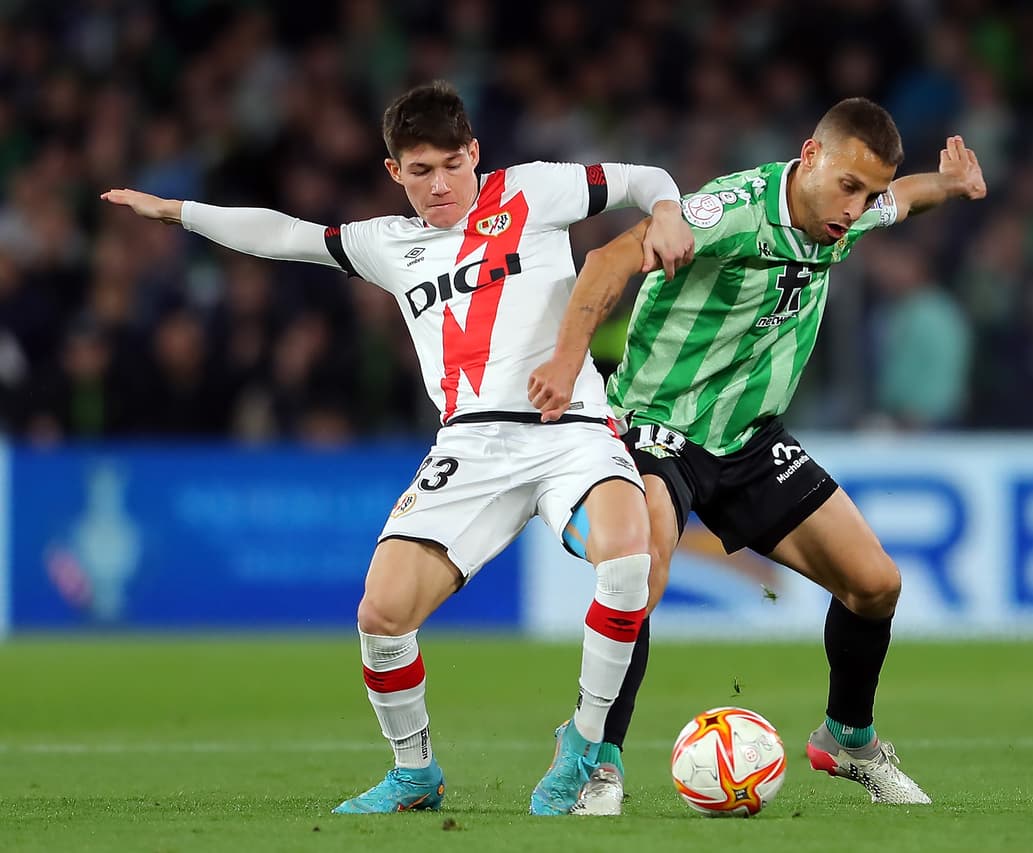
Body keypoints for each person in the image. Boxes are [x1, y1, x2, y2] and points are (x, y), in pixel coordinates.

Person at [104, 80, 695, 816]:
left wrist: (666, 212)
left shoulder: (533, 191)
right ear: (394, 173)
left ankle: (583, 743)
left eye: (453, 164)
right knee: (381, 614)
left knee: (629, 550)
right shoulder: (388, 243)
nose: (440, 185)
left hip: (570, 428)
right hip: (470, 447)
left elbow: (643, 179)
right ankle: (415, 772)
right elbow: (283, 234)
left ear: (474, 152)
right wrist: (174, 211)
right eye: (420, 172)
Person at [529, 97, 987, 813]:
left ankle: (848, 737)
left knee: (876, 584)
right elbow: (608, 259)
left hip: (749, 438)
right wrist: (565, 363)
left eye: (866, 192)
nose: (856, 207)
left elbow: (902, 198)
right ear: (810, 155)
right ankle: (597, 757)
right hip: (659, 425)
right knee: (638, 572)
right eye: (847, 187)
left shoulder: (850, 208)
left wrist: (950, 184)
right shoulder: (730, 212)